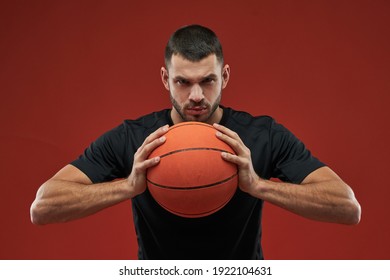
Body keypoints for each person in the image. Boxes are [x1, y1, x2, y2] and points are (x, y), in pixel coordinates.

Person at [30, 24, 361, 259]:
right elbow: (43, 208)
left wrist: (259, 186)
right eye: (183, 82)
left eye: (208, 80)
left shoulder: (262, 135)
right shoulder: (135, 138)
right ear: (165, 79)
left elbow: (347, 208)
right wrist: (127, 186)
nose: (197, 96)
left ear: (225, 76)